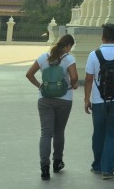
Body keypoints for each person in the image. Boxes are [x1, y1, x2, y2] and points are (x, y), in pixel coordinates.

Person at [84, 23, 114, 180]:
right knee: (113, 134)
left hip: (98, 101)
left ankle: (97, 165)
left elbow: (88, 79)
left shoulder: (94, 55)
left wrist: (86, 99)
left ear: (103, 36)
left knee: (98, 133)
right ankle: (108, 170)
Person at [26, 34, 79, 180]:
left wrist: (40, 86)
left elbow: (29, 74)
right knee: (59, 131)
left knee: (45, 133)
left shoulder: (44, 57)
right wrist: (73, 84)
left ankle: (44, 167)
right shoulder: (69, 58)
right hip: (64, 100)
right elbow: (74, 77)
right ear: (68, 46)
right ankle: (57, 162)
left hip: (45, 100)